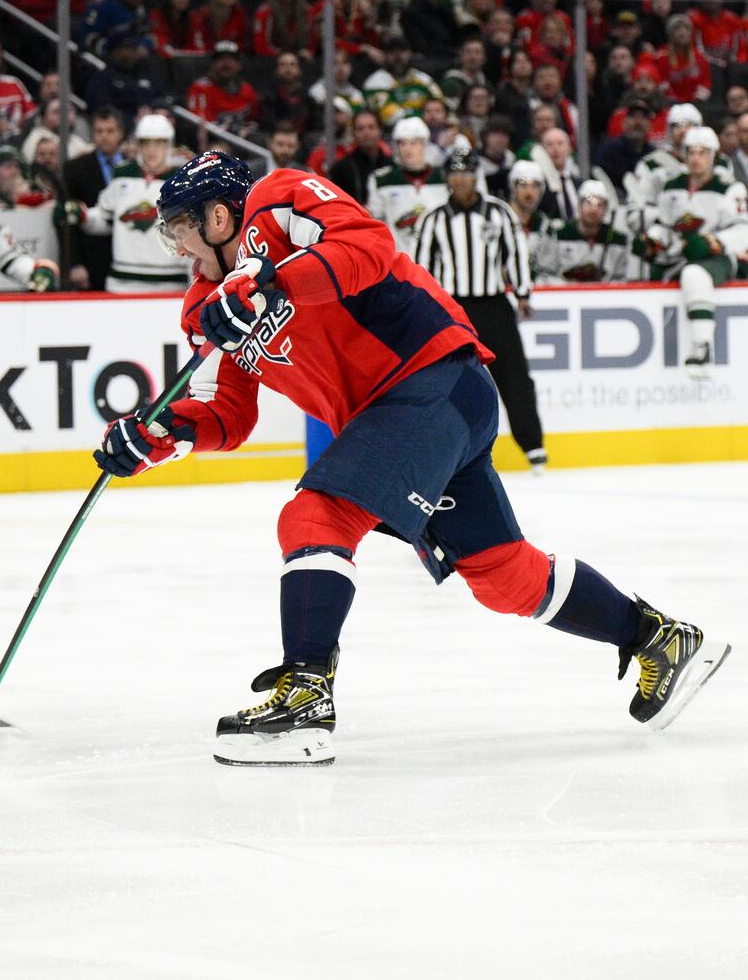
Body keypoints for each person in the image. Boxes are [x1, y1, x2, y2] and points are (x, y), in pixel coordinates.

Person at [92, 150, 729, 766]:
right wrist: (151, 439)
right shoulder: (204, 308)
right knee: (502, 575)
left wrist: (274, 283)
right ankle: (658, 639)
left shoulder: (279, 199)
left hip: (428, 376)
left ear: (220, 216)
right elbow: (228, 415)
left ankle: (306, 697)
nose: (177, 247)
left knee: (315, 518)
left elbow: (367, 248)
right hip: (412, 414)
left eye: (181, 228)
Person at [413, 142, 547, 472]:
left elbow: (515, 253)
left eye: (467, 173)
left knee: (514, 375)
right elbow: (421, 268)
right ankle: (442, 448)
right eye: (455, 173)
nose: (461, 180)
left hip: (493, 305)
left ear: (477, 177)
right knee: (447, 379)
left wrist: (523, 294)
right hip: (452, 308)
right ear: (447, 178)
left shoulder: (499, 213)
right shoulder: (433, 220)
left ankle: (532, 445)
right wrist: (422, 308)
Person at [635, 126, 748, 377]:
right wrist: (652, 241)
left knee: (694, 275)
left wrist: (712, 242)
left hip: (718, 258)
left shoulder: (729, 188)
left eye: (703, 152)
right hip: (679, 256)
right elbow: (665, 226)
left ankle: (702, 347)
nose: (696, 158)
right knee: (653, 274)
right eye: (692, 152)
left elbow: (743, 232)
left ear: (714, 155)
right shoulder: (671, 185)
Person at [59, 114, 189, 293]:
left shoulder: (184, 182)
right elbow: (104, 219)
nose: (152, 150)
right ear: (137, 145)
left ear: (169, 145)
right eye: (145, 143)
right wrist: (83, 216)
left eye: (159, 143)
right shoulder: (122, 175)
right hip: (122, 282)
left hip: (171, 284)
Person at [61, 106, 126, 290]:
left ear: (120, 133)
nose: (104, 136)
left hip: (129, 257)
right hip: (92, 259)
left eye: (110, 131)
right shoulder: (75, 169)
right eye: (99, 131)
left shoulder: (135, 168)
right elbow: (69, 221)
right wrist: (75, 263)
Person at [366, 117, 446, 258]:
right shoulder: (381, 180)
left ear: (425, 144)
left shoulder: (445, 178)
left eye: (414, 143)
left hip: (438, 259)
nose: (408, 149)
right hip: (398, 261)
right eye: (402, 143)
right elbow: (375, 223)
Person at [539, 180, 639, 284]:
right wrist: (568, 287)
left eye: (600, 204)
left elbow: (621, 279)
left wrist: (603, 289)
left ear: (606, 210)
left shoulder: (617, 239)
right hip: (564, 296)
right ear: (579, 205)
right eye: (589, 203)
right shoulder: (559, 233)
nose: (594, 209)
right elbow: (545, 274)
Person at [185, 40, 260, 140]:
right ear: (213, 64)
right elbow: (200, 124)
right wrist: (235, 131)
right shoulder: (200, 88)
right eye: (221, 59)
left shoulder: (248, 90)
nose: (226, 64)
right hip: (214, 140)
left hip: (244, 142)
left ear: (239, 65)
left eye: (231, 59)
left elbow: (254, 120)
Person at [363, 37, 443, 128]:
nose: (398, 56)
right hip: (391, 133)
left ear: (410, 53)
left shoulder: (424, 79)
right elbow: (389, 117)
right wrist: (424, 115)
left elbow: (441, 105)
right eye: (392, 52)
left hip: (427, 129)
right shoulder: (374, 83)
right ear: (384, 55)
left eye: (402, 51)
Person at [327, 110, 392, 205]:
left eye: (371, 127)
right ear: (354, 133)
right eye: (361, 128)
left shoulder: (392, 165)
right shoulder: (341, 169)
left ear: (380, 130)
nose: (367, 133)